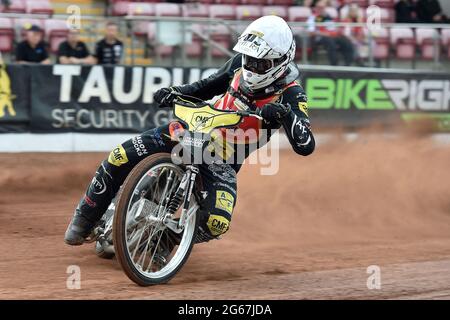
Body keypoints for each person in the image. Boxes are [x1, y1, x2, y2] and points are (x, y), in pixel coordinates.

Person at [64, 16, 315, 246]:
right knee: (120, 154)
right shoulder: (240, 63)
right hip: (192, 129)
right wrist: (175, 91)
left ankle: (163, 245)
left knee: (217, 222)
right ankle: (85, 218)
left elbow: (306, 145)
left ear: (281, 62)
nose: (251, 67)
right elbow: (206, 87)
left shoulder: (292, 93)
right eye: (249, 59)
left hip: (222, 160)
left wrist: (286, 114)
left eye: (260, 64)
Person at [307, 0, 355, 66]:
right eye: (319, 7)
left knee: (346, 41)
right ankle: (334, 66)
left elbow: (333, 29)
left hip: (333, 36)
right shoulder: (313, 17)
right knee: (330, 43)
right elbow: (311, 32)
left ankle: (348, 65)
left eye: (323, 7)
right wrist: (324, 34)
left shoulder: (328, 17)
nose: (321, 9)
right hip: (321, 38)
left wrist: (338, 31)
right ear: (315, 8)